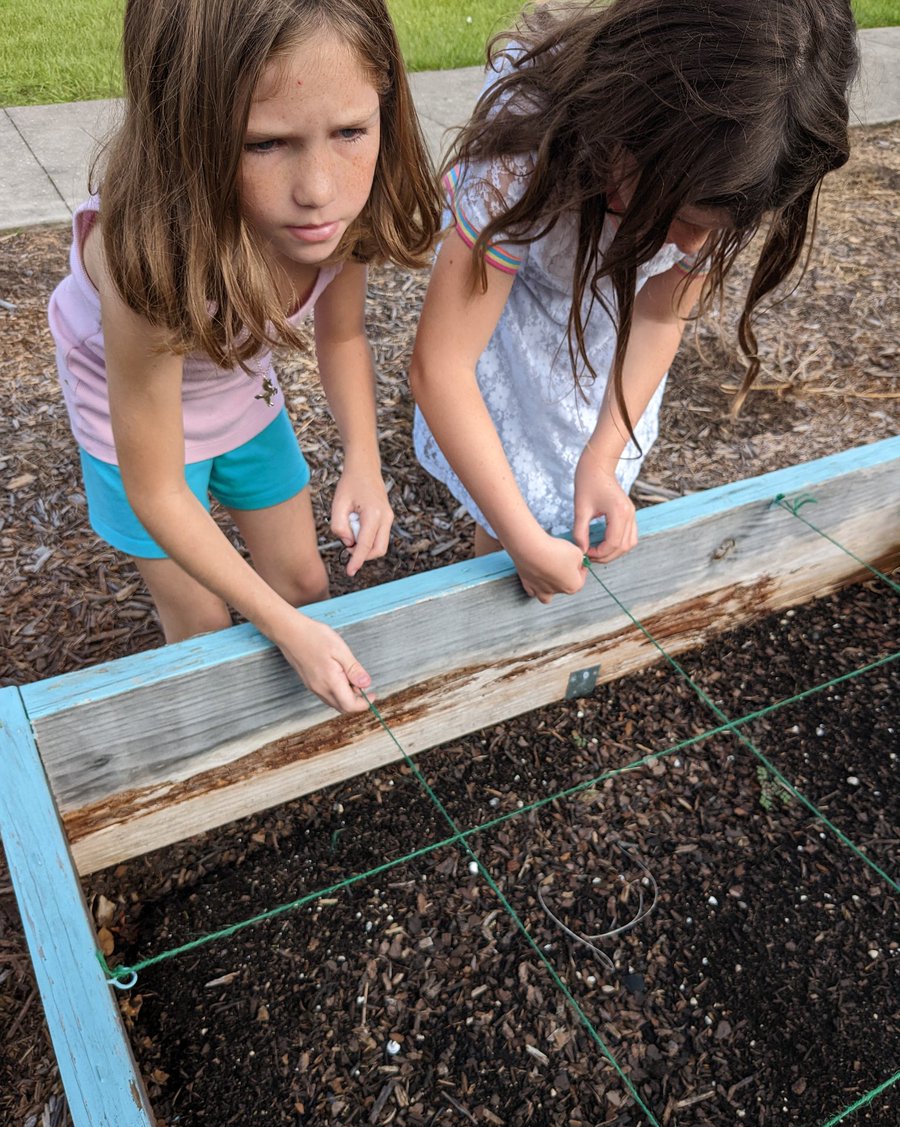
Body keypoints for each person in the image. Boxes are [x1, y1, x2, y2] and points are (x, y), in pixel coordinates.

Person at [49, 0, 441, 712]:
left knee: (304, 587)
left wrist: (364, 460)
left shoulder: (341, 218)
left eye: (352, 130)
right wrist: (284, 631)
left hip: (239, 386)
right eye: (264, 143)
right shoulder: (145, 257)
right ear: (183, 131)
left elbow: (343, 334)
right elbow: (159, 489)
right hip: (130, 413)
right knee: (200, 629)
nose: (319, 191)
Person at [410, 0, 858, 603]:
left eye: (715, 229)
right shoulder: (522, 154)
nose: (691, 247)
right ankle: (498, 555)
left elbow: (657, 311)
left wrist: (602, 453)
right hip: (509, 314)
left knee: (573, 474)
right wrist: (518, 537)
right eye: (678, 216)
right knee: (511, 496)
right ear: (624, 130)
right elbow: (442, 366)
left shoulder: (736, 164)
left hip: (603, 325)